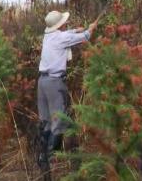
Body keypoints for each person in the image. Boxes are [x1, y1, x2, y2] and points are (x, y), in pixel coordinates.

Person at [37, 11, 98, 174]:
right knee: (59, 120)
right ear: (59, 25)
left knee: (46, 121)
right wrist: (90, 29)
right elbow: (85, 37)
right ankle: (50, 158)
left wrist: (75, 30)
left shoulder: (48, 36)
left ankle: (42, 157)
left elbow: (66, 35)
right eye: (64, 23)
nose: (66, 24)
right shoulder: (61, 38)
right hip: (54, 83)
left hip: (42, 82)